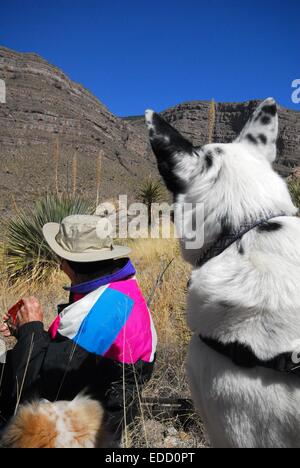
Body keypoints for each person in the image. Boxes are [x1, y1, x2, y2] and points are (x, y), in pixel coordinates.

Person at [0, 215, 157, 445]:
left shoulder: (92, 316)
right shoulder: (120, 289)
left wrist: (30, 329)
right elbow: (67, 355)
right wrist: (22, 330)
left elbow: (35, 389)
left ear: (65, 262)